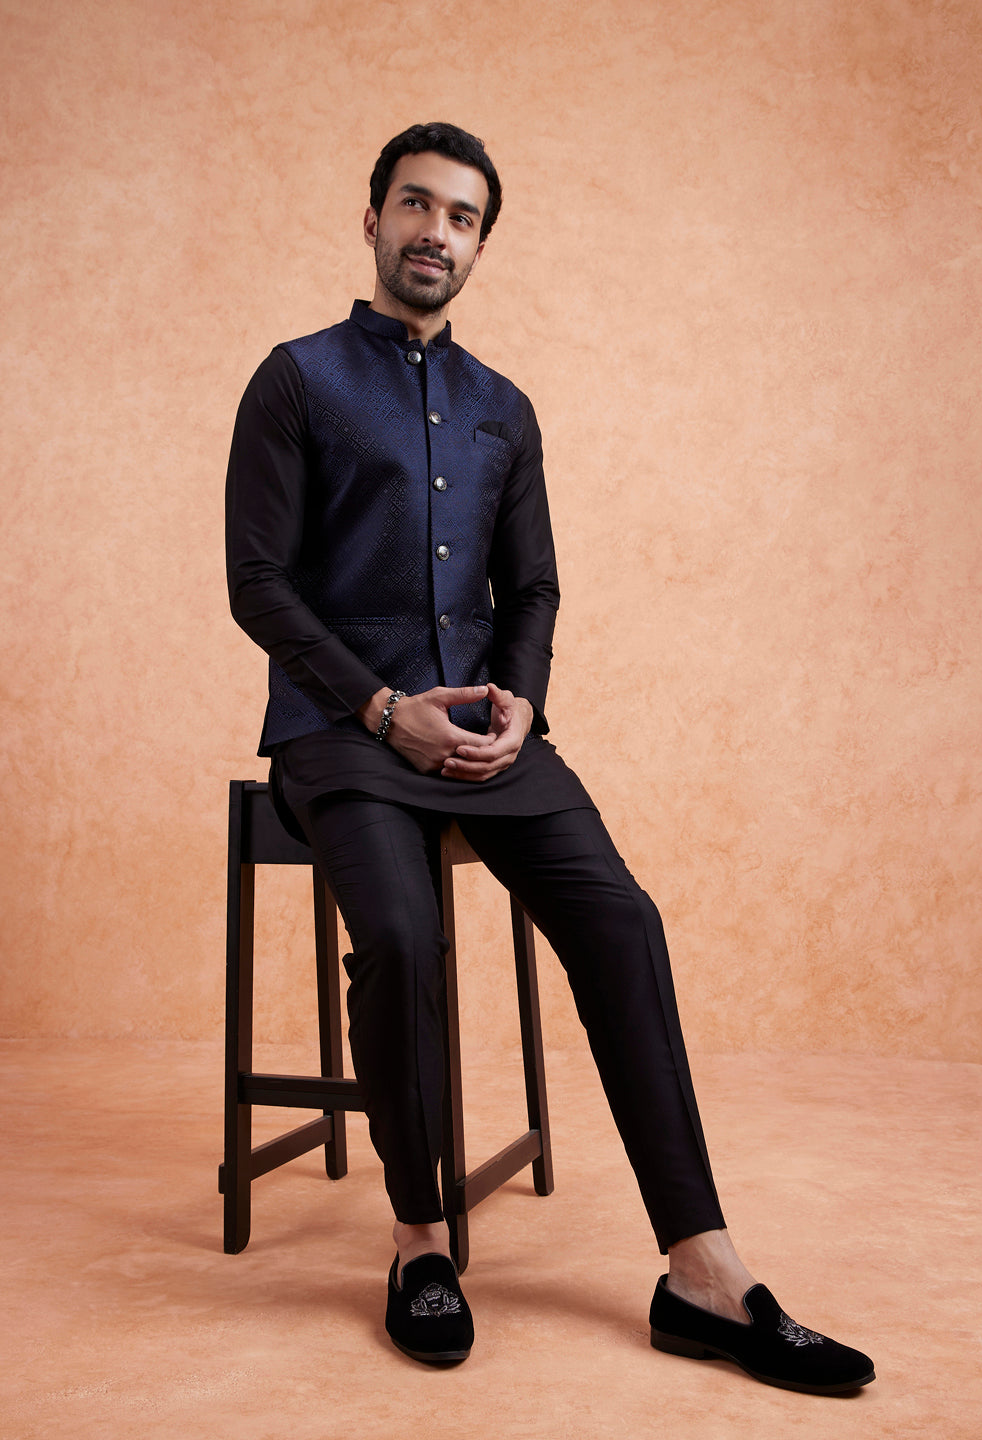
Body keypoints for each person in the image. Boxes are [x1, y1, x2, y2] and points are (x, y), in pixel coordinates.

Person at [225, 121, 875, 1393]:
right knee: (402, 934)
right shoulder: (295, 381)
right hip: (341, 736)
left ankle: (702, 1270)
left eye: (462, 217)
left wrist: (521, 704)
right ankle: (421, 1242)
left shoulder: (504, 409)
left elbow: (533, 588)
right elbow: (257, 582)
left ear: (480, 243)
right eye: (417, 205)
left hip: (489, 738)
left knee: (625, 922)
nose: (436, 232)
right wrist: (380, 709)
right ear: (372, 218)